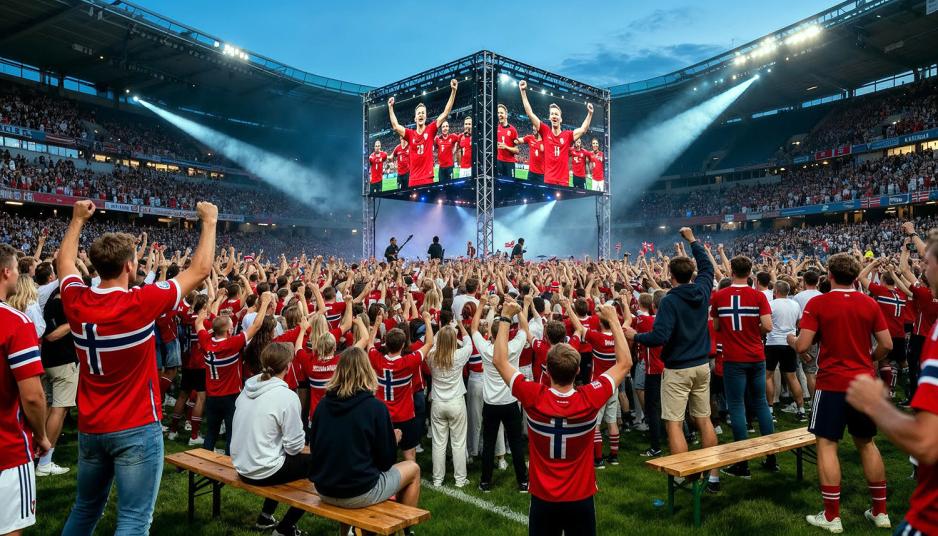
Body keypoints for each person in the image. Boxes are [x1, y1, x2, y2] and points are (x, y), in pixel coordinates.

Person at [59, 199, 217, 534]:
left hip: (91, 426)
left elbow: (64, 264)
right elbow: (200, 270)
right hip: (135, 426)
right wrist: (210, 221)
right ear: (130, 266)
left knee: (85, 510)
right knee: (133, 520)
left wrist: (76, 221)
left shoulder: (75, 300)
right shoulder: (139, 303)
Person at [492, 300, 632, 536]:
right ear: (578, 371)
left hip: (543, 497)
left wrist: (506, 317)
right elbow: (625, 363)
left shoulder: (534, 396)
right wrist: (615, 322)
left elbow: (499, 361)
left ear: (546, 366)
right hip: (581, 496)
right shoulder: (589, 398)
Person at [788, 252, 893, 533]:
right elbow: (887, 344)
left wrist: (791, 338)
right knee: (867, 443)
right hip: (862, 383)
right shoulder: (869, 302)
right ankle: (880, 512)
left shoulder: (819, 303)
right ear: (855, 275)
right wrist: (869, 358)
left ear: (829, 276)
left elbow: (802, 346)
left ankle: (832, 516)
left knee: (827, 445)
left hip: (832, 383)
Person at [845, 243, 938, 536]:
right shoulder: (904, 294)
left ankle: (901, 390)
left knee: (891, 365)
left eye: (928, 261)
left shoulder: (894, 293)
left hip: (929, 519)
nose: (923, 267)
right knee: (900, 366)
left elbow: (926, 441)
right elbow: (906, 277)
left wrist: (876, 404)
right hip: (903, 333)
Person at [625, 227, 721, 493]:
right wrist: (692, 240)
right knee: (704, 420)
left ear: (670, 277)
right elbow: (706, 266)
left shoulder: (669, 301)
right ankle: (713, 476)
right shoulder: (702, 290)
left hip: (678, 369)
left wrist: (636, 336)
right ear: (691, 274)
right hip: (702, 366)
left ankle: (685, 476)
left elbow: (659, 336)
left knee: (675, 423)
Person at [309, 346, 421, 522]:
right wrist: (393, 439)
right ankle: (403, 528)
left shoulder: (322, 406)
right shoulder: (375, 408)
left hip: (324, 488)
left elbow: (314, 448)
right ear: (367, 371)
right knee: (413, 468)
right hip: (359, 490)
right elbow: (386, 462)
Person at [232, 342, 309, 536]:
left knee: (282, 455)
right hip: (262, 470)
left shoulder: (247, 389)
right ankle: (285, 528)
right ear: (288, 366)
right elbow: (294, 447)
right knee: (319, 464)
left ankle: (265, 516)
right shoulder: (287, 396)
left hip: (242, 466)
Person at [711, 255, 775, 478]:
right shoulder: (758, 295)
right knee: (760, 403)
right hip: (756, 356)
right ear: (750, 272)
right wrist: (752, 333)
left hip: (733, 358)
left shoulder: (719, 296)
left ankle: (742, 464)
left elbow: (717, 326)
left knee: (736, 405)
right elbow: (767, 325)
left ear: (731, 270)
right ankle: (771, 457)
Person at [0, 243, 48, 536]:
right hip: (7, 448)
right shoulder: (16, 323)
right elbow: (32, 395)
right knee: (10, 529)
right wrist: (41, 435)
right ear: (6, 272)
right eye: (17, 269)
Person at [197, 291, 272, 455]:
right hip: (231, 396)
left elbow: (199, 325)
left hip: (212, 396)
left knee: (211, 433)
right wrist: (265, 303)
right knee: (232, 433)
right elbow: (257, 326)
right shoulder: (232, 344)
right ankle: (228, 467)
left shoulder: (205, 342)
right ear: (229, 330)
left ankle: (204, 461)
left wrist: (203, 314)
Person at [470, 294, 529, 493]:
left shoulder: (486, 349)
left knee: (488, 444)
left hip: (492, 403)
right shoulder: (513, 346)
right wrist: (519, 309)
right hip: (510, 401)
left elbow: (473, 328)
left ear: (492, 334)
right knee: (516, 443)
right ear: (506, 333)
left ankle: (485, 482)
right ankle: (523, 482)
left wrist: (482, 305)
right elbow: (524, 330)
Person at [368, 314, 435, 462]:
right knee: (409, 455)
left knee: (379, 455)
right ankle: (410, 483)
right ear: (404, 345)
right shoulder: (408, 362)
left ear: (385, 343)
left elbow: (370, 344)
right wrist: (427, 321)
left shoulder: (376, 360)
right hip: (405, 416)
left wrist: (377, 324)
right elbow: (429, 343)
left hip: (383, 416)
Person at [518, 79, 593, 186]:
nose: (554, 116)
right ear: (549, 117)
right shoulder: (545, 131)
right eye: (552, 114)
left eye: (556, 114)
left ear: (560, 119)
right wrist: (523, 91)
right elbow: (530, 113)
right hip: (548, 181)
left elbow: (583, 129)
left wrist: (590, 113)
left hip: (563, 183)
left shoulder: (567, 135)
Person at [37, 283, 77, 477]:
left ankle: (37, 452)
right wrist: (73, 323)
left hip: (50, 361)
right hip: (62, 362)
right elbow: (51, 336)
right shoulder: (57, 303)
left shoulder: (54, 301)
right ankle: (44, 462)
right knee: (59, 410)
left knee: (49, 406)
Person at [388, 79, 459, 188]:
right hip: (413, 180)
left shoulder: (430, 130)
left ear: (425, 116)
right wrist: (390, 107)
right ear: (415, 118)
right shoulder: (410, 134)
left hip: (428, 179)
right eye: (418, 113)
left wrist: (453, 91)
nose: (421, 115)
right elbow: (395, 126)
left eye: (423, 113)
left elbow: (445, 113)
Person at [427, 323, 473, 487]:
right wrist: (460, 325)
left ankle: (437, 479)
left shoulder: (431, 356)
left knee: (438, 443)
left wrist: (442, 331)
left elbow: (432, 342)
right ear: (454, 341)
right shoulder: (459, 355)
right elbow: (469, 343)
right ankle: (460, 479)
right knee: (458, 442)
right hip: (455, 402)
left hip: (438, 403)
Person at [859, 257, 910, 399]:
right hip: (900, 333)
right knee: (902, 362)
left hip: (885, 334)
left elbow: (861, 277)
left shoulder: (881, 291)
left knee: (882, 360)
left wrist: (873, 263)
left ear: (882, 281)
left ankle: (883, 390)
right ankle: (909, 386)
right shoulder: (902, 294)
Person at [765, 280, 805, 421]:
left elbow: (766, 323)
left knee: (768, 376)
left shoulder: (770, 304)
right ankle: (801, 410)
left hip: (773, 343)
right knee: (792, 377)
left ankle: (770, 409)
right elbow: (800, 323)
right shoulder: (795, 304)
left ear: (775, 291)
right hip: (789, 342)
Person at [792, 269, 822, 402]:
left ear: (804, 281)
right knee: (812, 370)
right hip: (819, 336)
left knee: (808, 371)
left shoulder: (799, 297)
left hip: (804, 334)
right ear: (818, 281)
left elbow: (797, 319)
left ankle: (813, 400)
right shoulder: (822, 295)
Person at [496, 104, 519, 178]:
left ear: (506, 115)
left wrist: (506, 147)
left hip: (509, 163)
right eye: (498, 113)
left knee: (510, 185)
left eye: (501, 113)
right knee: (498, 184)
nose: (499, 115)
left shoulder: (513, 130)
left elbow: (517, 151)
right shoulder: (495, 129)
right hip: (498, 162)